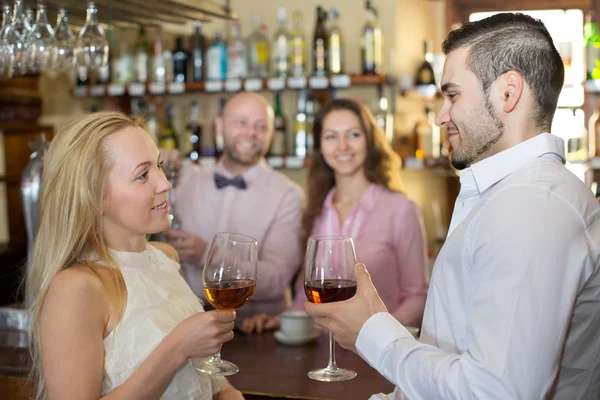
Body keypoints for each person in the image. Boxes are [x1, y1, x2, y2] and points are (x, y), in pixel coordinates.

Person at [304, 13, 600, 400]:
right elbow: (454, 356)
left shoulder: (533, 207)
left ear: (508, 93)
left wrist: (372, 330)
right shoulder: (507, 194)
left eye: (453, 95)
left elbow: (496, 392)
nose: (441, 116)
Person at [26, 112, 243, 399]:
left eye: (159, 166)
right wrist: (177, 348)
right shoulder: (75, 288)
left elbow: (213, 386)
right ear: (93, 198)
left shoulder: (167, 259)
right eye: (143, 174)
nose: (165, 183)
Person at [243, 98, 429, 334]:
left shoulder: (401, 209)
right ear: (320, 147)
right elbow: (306, 295)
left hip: (379, 357)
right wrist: (281, 320)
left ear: (370, 141)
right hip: (324, 357)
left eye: (353, 135)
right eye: (331, 137)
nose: (343, 146)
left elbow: (416, 296)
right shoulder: (316, 211)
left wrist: (380, 337)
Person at [162, 92, 304, 329]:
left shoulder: (288, 194)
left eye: (261, 126)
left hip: (256, 332)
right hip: (187, 326)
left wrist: (208, 256)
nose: (251, 132)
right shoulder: (183, 179)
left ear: (271, 133)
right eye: (241, 122)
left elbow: (278, 279)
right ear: (219, 125)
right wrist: (154, 162)